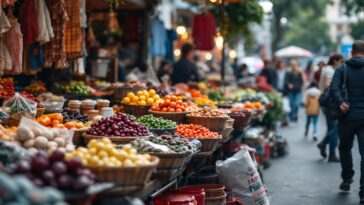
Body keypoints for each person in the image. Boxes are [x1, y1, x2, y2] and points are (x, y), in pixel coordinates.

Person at [330, 41, 364, 203]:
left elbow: (333, 89)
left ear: (352, 52)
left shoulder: (342, 68)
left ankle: (347, 178)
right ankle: (363, 192)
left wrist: (340, 102)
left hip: (347, 116)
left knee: (344, 148)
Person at [317, 53, 344, 162]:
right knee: (336, 128)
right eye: (341, 61)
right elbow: (329, 85)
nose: (342, 63)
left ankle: (329, 151)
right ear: (336, 61)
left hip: (327, 102)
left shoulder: (327, 69)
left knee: (332, 128)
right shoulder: (330, 71)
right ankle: (328, 149)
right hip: (330, 103)